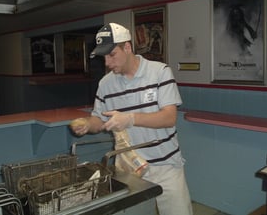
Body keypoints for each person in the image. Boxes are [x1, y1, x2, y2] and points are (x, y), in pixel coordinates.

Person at [70, 22, 193, 215]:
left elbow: (169, 118)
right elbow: (99, 120)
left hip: (166, 166)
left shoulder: (160, 72)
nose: (108, 63)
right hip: (130, 169)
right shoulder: (105, 84)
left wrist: (130, 119)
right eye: (104, 57)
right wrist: (87, 124)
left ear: (127, 47)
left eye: (112, 55)